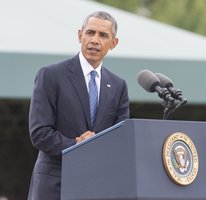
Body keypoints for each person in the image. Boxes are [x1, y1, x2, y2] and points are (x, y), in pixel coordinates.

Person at [27, 11, 130, 200]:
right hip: (54, 185)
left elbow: (121, 139)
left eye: (103, 35)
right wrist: (77, 145)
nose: (94, 40)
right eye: (90, 32)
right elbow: (39, 132)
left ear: (113, 43)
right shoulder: (50, 75)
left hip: (98, 186)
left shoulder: (118, 86)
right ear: (79, 35)